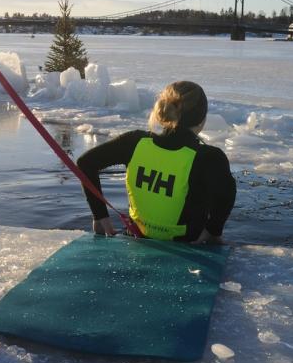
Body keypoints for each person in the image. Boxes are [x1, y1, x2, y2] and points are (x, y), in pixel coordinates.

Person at [77, 81, 236, 243]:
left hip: (135, 238)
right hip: (187, 247)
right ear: (202, 119)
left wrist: (100, 216)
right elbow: (226, 196)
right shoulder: (210, 158)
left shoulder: (134, 142)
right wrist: (213, 232)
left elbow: (85, 163)